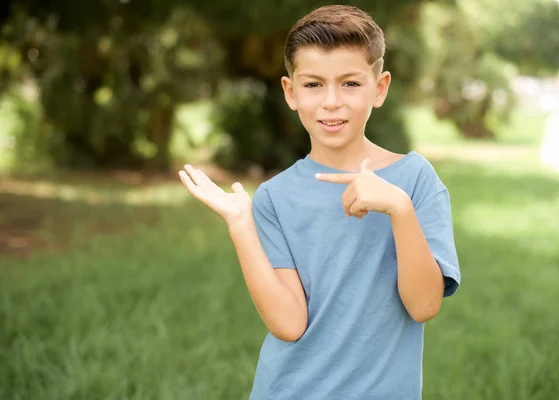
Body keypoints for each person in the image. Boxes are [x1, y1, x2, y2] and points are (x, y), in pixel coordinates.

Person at [178, 4, 461, 399]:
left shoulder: (414, 181)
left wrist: (400, 209)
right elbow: (289, 323)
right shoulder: (274, 197)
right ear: (291, 93)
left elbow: (424, 305)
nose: (331, 101)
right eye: (313, 85)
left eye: (350, 83)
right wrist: (241, 224)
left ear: (379, 88)